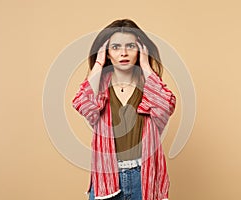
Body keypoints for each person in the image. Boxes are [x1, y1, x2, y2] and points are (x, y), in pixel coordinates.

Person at [72, 19, 176, 200]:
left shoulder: (148, 86)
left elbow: (166, 105)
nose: (124, 53)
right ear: (107, 52)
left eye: (130, 46)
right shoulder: (100, 88)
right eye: (116, 47)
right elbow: (83, 103)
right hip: (107, 179)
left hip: (144, 177)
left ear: (140, 50)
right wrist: (98, 62)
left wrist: (145, 65)